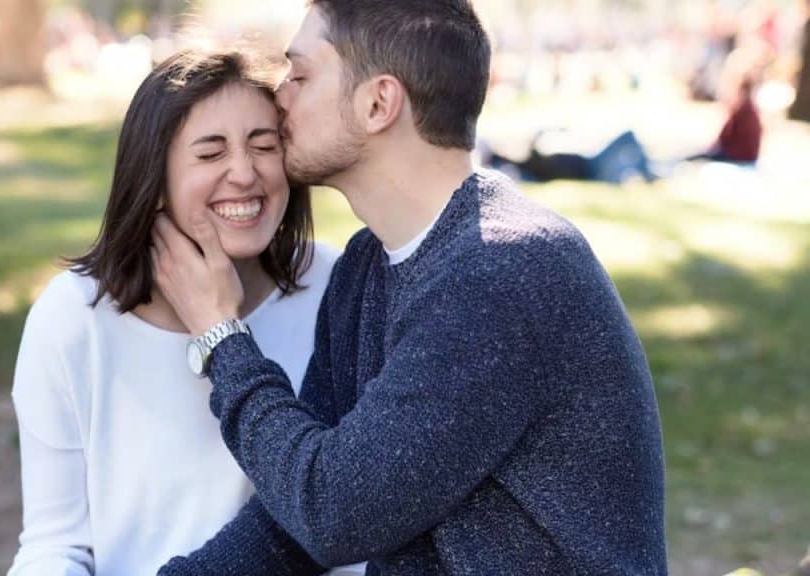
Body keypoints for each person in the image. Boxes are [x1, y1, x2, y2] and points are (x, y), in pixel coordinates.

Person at [151, 1, 668, 574]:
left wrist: (222, 338)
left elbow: (334, 513)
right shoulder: (366, 269)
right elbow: (295, 519)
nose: (280, 99)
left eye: (300, 75)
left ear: (378, 103)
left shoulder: (505, 271)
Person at [5, 50, 352, 576]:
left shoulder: (334, 286)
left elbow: (349, 523)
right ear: (154, 180)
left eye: (264, 146)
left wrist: (219, 326)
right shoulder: (73, 317)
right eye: (210, 154)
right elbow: (56, 547)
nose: (244, 172)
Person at [484, 129, 659, 184]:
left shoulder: (531, 159)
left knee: (629, 160)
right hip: (594, 168)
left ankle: (650, 172)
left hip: (591, 160)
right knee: (628, 138)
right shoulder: (529, 167)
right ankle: (650, 174)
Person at [689, 76, 763, 165]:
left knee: (694, 160)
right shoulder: (749, 110)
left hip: (737, 158)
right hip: (742, 157)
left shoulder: (743, 111)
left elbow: (724, 139)